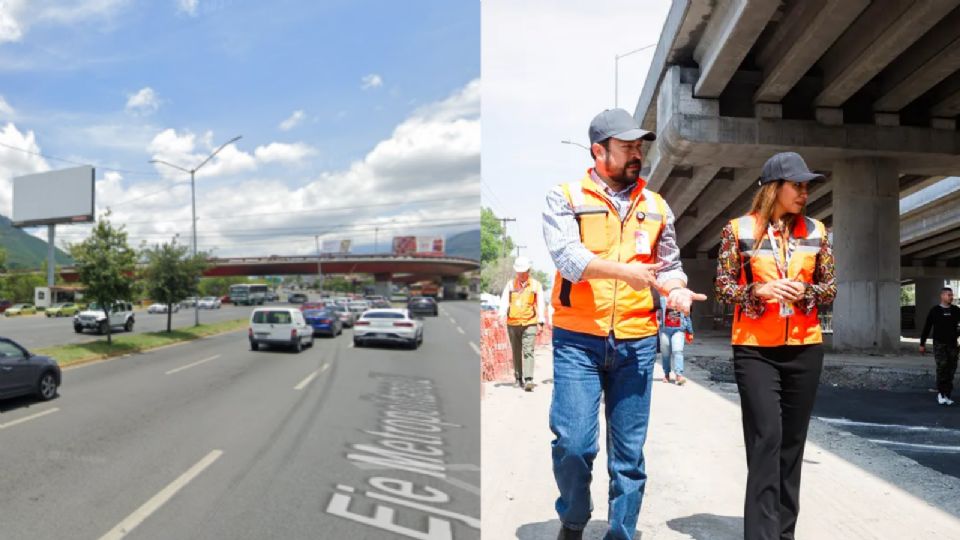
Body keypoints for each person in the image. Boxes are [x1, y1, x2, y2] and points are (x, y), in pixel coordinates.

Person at [542, 108, 706, 540]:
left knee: (629, 455)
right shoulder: (565, 197)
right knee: (573, 446)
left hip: (637, 340)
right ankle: (574, 519)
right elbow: (568, 259)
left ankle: (622, 533)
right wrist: (625, 272)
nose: (638, 154)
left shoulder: (656, 206)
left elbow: (668, 264)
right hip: (578, 339)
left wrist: (677, 289)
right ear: (599, 151)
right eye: (628, 146)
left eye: (640, 146)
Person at [715, 151, 836, 540]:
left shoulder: (818, 231)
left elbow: (830, 288)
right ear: (774, 189)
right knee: (767, 438)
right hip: (755, 350)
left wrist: (807, 291)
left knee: (792, 445)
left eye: (806, 186)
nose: (804, 192)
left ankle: (784, 534)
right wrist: (759, 289)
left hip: (805, 348)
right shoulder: (738, 231)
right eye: (796, 186)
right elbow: (723, 287)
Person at [498, 256, 546, 391]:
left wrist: (541, 320)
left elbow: (541, 303)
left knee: (528, 350)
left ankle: (529, 379)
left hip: (529, 323)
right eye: (518, 272)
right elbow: (504, 301)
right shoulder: (510, 284)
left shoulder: (536, 285)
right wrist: (501, 314)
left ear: (528, 270)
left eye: (523, 271)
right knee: (516, 351)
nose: (520, 274)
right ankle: (518, 378)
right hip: (512, 323)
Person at [919, 287, 959, 406]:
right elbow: (927, 327)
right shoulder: (935, 311)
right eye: (948, 295)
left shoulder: (956, 310)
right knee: (942, 368)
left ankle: (947, 394)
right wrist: (922, 343)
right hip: (939, 344)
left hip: (953, 345)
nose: (951, 297)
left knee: (951, 370)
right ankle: (941, 393)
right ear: (942, 296)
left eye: (952, 295)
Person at [658, 293, 693, 385]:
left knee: (678, 351)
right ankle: (666, 373)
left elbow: (687, 315)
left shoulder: (682, 297)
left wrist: (690, 331)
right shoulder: (661, 299)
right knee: (665, 353)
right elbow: (655, 312)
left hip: (678, 330)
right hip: (664, 330)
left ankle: (678, 375)